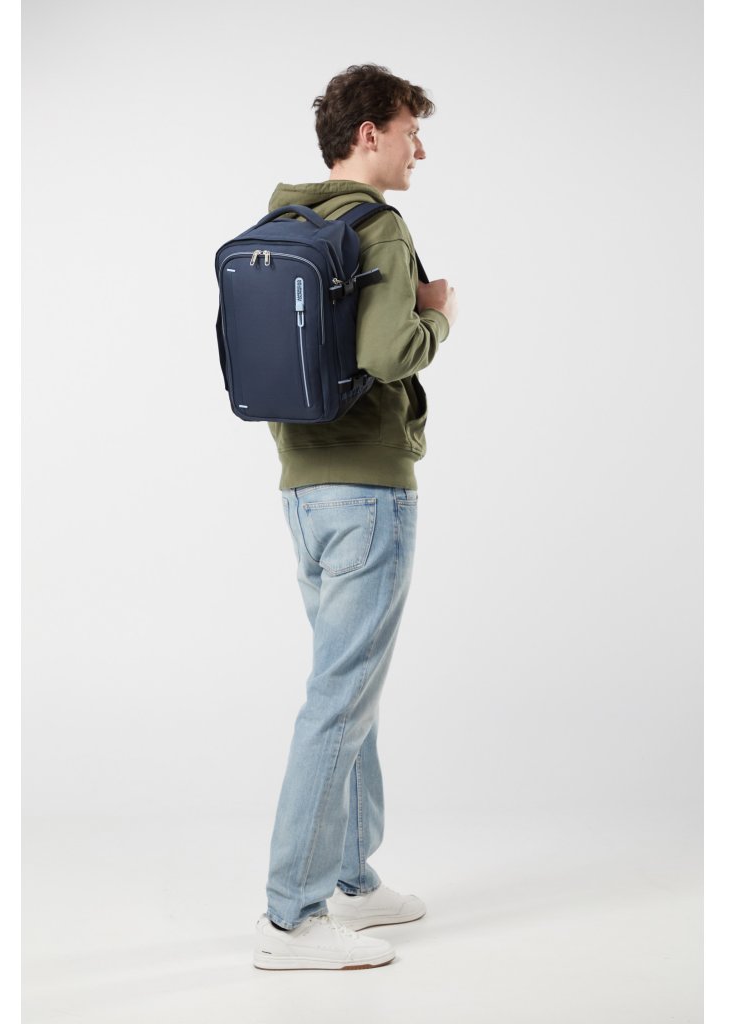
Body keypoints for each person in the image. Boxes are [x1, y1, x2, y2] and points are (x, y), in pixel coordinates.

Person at [252, 64, 459, 972]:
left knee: (350, 690)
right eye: (412, 130)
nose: (421, 149)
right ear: (369, 132)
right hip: (370, 493)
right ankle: (289, 922)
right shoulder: (378, 226)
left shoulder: (286, 223)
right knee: (339, 700)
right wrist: (438, 316)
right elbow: (388, 349)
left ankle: (354, 881)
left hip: (303, 490)